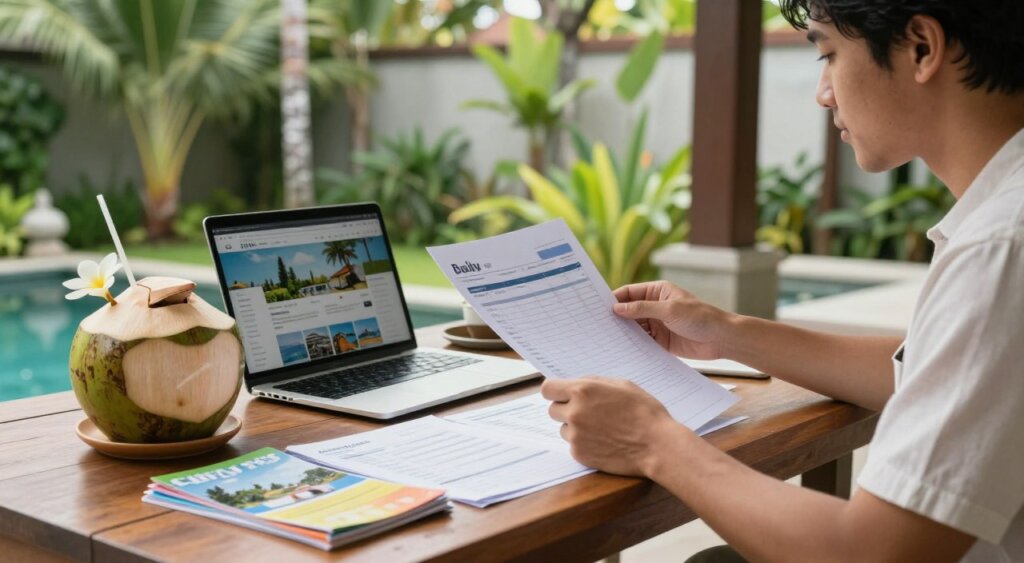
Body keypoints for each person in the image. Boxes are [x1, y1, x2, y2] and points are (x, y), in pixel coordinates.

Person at [541, 1, 1024, 561]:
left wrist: (653, 442)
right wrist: (725, 332)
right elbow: (928, 374)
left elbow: (870, 554)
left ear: (921, 47)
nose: (824, 92)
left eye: (829, 55)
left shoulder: (1001, 248)